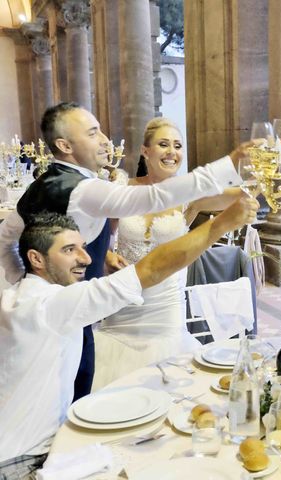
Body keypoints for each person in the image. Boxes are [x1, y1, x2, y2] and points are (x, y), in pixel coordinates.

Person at [0, 102, 249, 400]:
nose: (104, 139)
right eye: (93, 133)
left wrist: (24, 279)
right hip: (87, 307)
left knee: (51, 387)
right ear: (65, 145)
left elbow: (4, 238)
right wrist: (230, 163)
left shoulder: (39, 186)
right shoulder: (87, 189)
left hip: (70, 311)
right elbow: (155, 199)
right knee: (69, 391)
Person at [0, 201, 258, 478]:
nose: (86, 259)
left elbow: (5, 240)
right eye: (68, 250)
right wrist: (221, 224)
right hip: (23, 461)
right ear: (36, 259)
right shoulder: (54, 305)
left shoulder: (18, 292)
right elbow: (150, 270)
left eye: (82, 247)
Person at [92, 117, 247, 389]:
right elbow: (105, 235)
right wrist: (106, 257)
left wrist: (267, 167)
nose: (171, 152)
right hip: (125, 299)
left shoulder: (190, 196)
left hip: (165, 309)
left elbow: (240, 195)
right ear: (145, 151)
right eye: (163, 144)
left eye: (177, 145)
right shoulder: (124, 189)